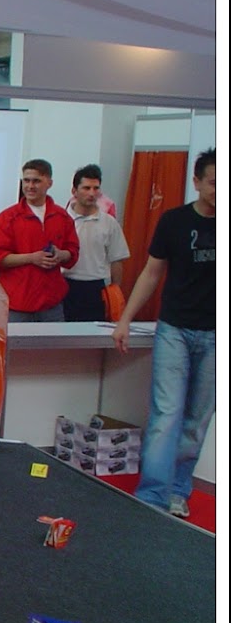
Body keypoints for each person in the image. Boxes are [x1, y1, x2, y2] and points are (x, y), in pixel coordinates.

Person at [112, 149, 215, 517]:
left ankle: (178, 490)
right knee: (167, 414)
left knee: (197, 420)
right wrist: (125, 318)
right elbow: (151, 273)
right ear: (197, 182)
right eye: (214, 183)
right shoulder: (174, 221)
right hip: (174, 330)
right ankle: (153, 496)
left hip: (216, 334)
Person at [0, 158, 80, 323]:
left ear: (49, 183)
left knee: (53, 341)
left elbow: (73, 252)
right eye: (26, 180)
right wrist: (31, 258)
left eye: (36, 181)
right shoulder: (7, 219)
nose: (30, 186)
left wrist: (61, 255)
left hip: (51, 304)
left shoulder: (62, 217)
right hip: (17, 305)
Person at [63, 164, 130, 321]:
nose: (92, 193)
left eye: (96, 188)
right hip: (65, 284)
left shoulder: (109, 223)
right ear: (74, 191)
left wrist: (115, 292)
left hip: (96, 287)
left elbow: (116, 260)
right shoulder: (61, 220)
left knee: (94, 333)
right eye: (86, 188)